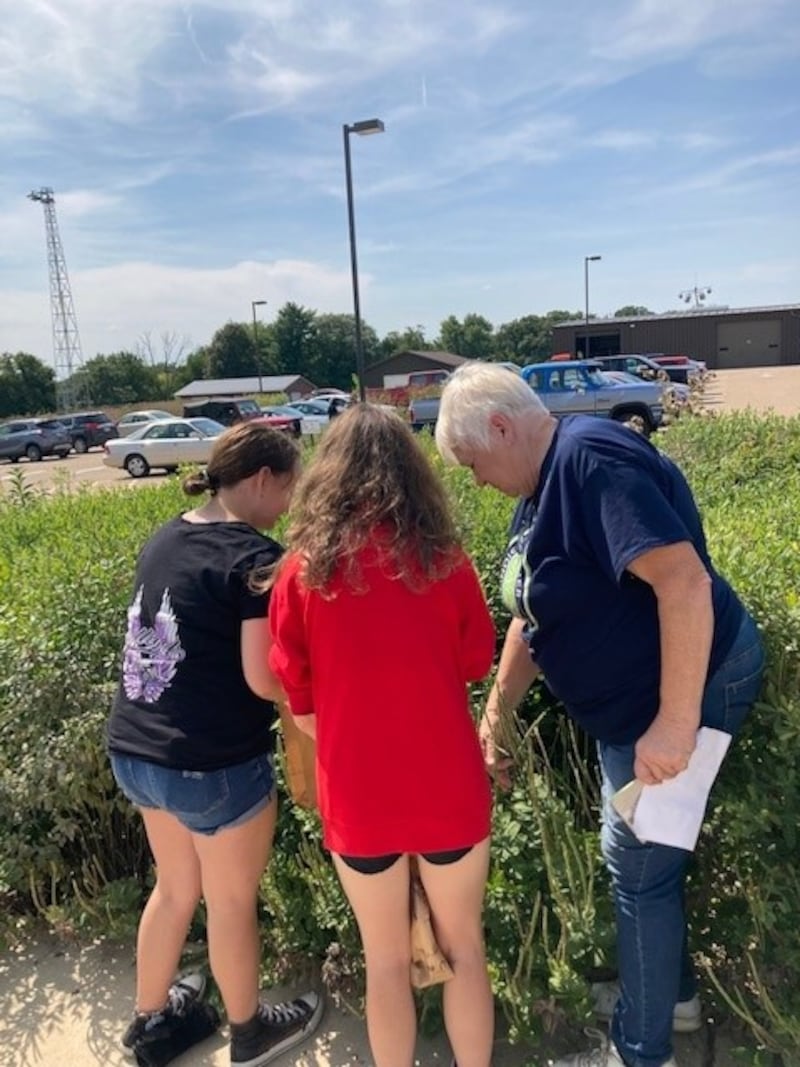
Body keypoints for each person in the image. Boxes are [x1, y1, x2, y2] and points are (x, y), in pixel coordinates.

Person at [434, 362, 765, 1067]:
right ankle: (666, 999)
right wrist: (496, 714)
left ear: (500, 426)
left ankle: (643, 1052)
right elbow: (532, 614)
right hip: (633, 709)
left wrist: (676, 723)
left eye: (471, 462)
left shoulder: (588, 460)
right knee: (643, 861)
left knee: (638, 869)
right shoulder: (541, 481)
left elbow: (683, 582)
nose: (474, 479)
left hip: (683, 690)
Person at [265, 404, 497, 1067]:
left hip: (360, 798)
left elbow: (299, 703)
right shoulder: (446, 561)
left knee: (386, 962)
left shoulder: (301, 572)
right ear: (413, 473)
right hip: (448, 787)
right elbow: (476, 661)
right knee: (465, 950)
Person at [106, 422, 323, 1067]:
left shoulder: (167, 534)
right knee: (231, 902)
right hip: (212, 764)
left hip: (135, 752)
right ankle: (250, 1031)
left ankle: (152, 1023)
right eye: (287, 489)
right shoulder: (255, 559)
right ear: (260, 480)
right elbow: (262, 678)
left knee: (174, 890)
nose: (288, 505)